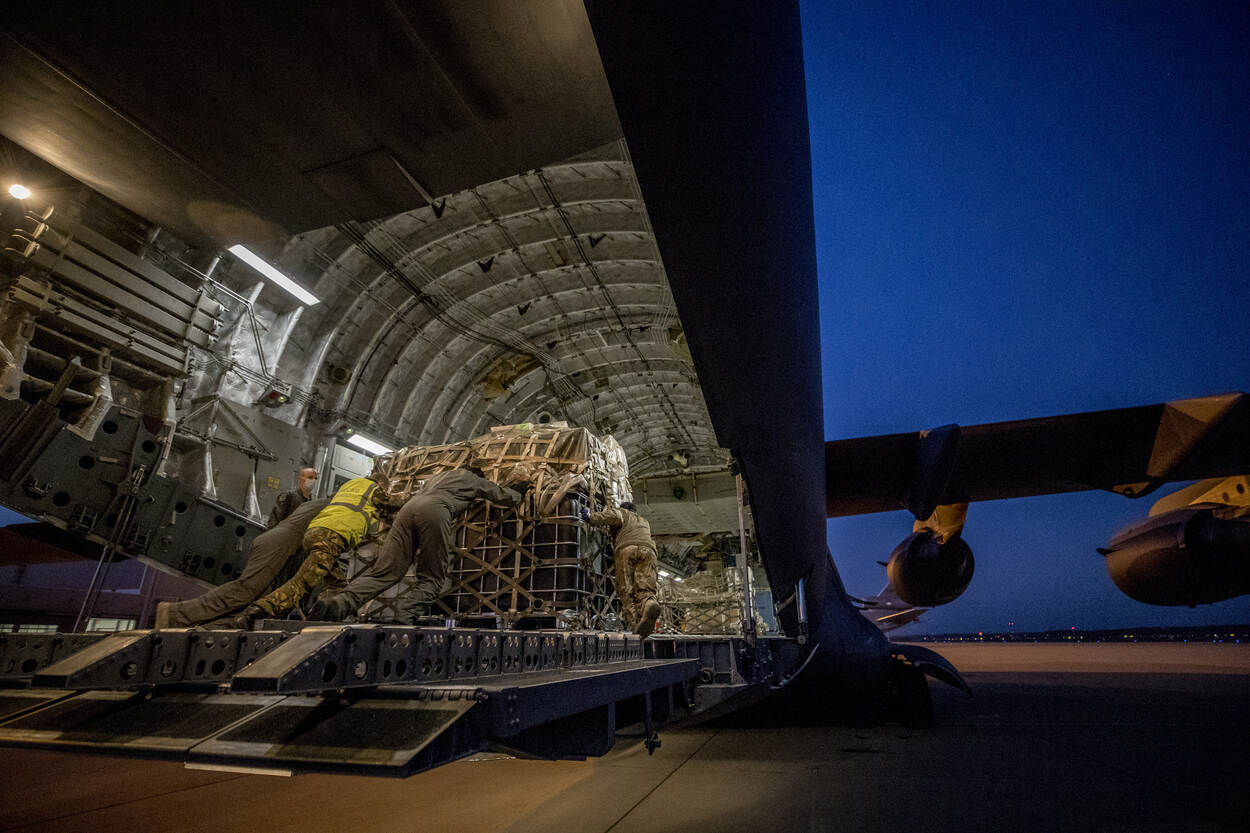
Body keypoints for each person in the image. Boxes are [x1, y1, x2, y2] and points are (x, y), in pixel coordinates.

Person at [312, 467, 522, 623]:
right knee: (431, 578)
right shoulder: (472, 478)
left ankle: (338, 605)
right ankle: (403, 618)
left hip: (408, 510)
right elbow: (501, 495)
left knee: (385, 572)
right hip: (434, 510)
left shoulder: (439, 476)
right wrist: (519, 492)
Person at [225, 469, 384, 628]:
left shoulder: (346, 489)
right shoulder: (374, 491)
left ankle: (327, 613)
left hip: (313, 537)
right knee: (299, 585)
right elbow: (392, 505)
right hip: (323, 542)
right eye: (309, 477)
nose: (312, 481)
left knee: (338, 582)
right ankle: (256, 612)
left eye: (315, 478)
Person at [153, 497, 330, 628]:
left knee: (256, 606)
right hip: (281, 545)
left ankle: (203, 629)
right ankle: (173, 614)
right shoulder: (337, 509)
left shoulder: (324, 503)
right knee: (245, 591)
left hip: (279, 544)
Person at [582, 501, 661, 637]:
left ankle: (635, 623)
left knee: (626, 588)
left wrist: (590, 517)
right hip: (649, 551)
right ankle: (649, 603)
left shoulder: (623, 513)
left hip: (627, 549)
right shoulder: (644, 521)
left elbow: (614, 516)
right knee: (645, 587)